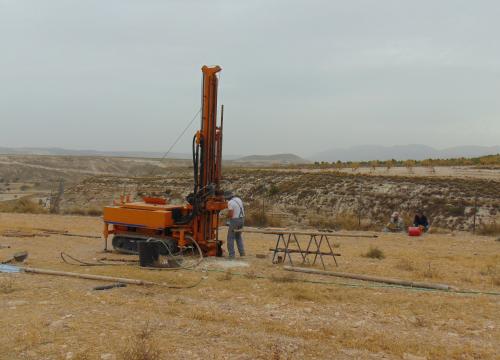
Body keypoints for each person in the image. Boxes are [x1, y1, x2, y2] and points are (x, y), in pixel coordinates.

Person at [225, 191, 245, 258]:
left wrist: (225, 216)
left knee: (230, 238)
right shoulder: (238, 199)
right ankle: (242, 253)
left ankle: (231, 255)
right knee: (238, 237)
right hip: (242, 219)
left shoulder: (230, 202)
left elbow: (231, 214)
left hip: (235, 221)